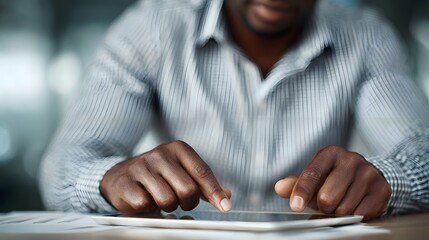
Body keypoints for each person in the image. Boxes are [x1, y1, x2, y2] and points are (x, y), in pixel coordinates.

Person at [39, 0, 429, 221]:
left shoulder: (366, 37)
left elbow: (422, 150)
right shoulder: (149, 30)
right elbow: (62, 167)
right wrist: (109, 177)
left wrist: (386, 180)